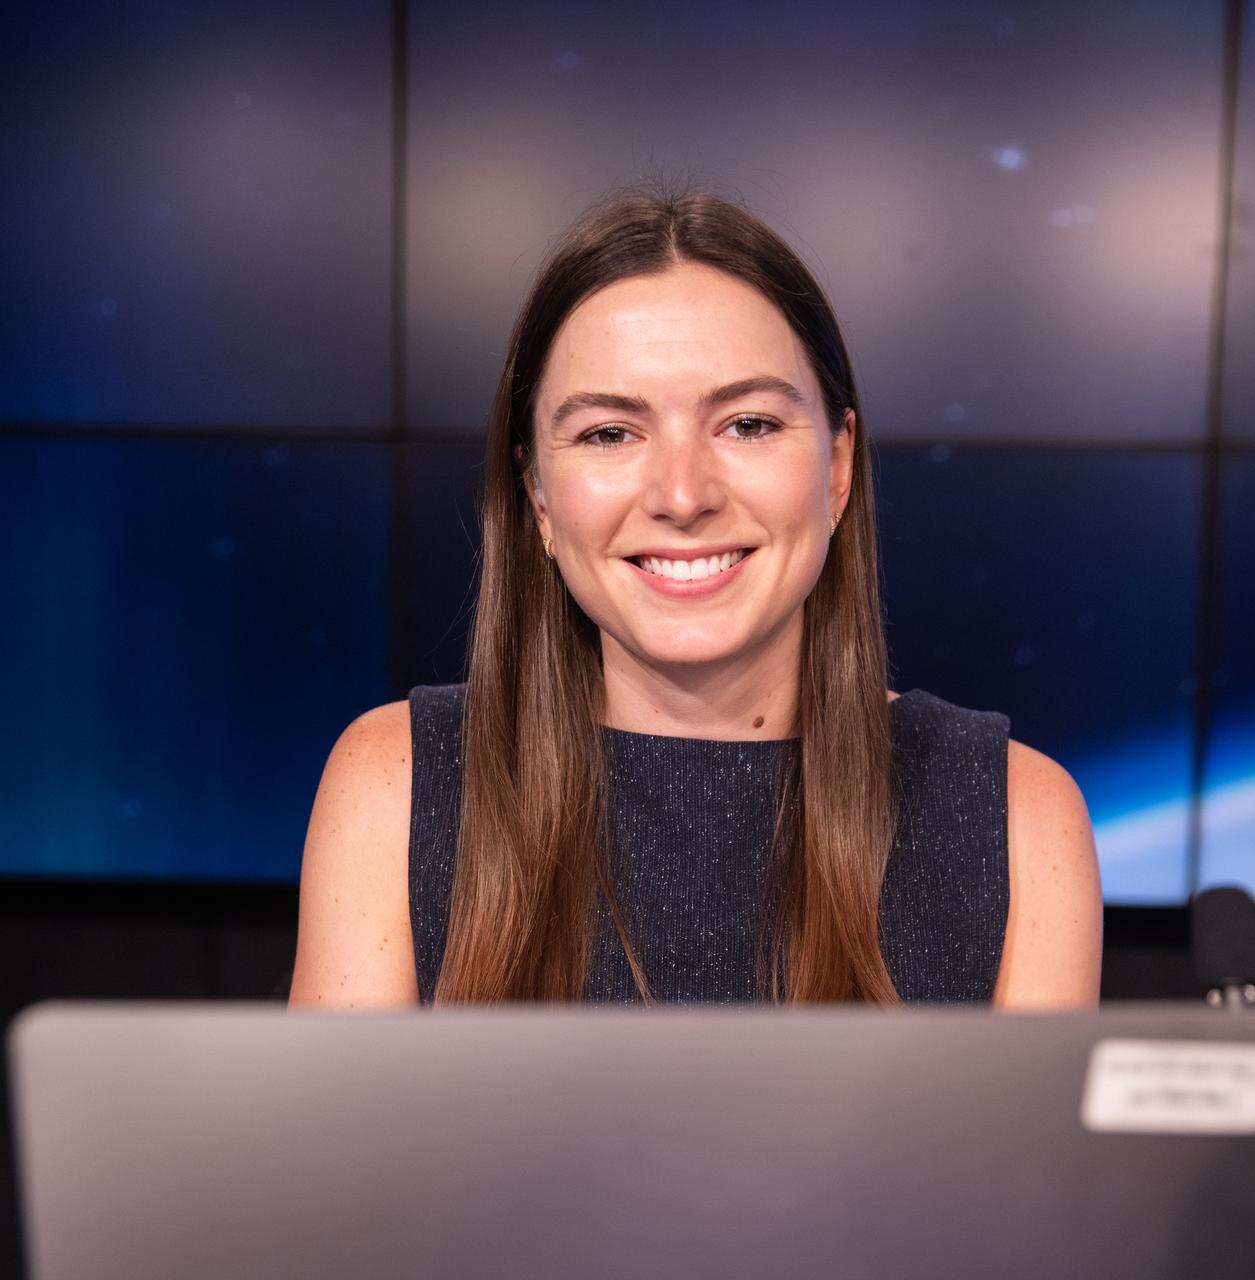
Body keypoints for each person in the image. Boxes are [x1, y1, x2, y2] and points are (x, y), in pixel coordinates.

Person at [289, 190, 1102, 1011]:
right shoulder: (394, 784)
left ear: (836, 468)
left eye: (746, 425)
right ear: (538, 496)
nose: (682, 496)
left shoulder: (1017, 817)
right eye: (610, 433)